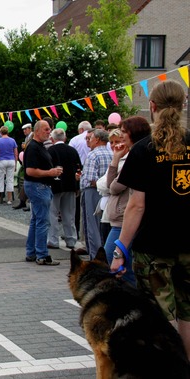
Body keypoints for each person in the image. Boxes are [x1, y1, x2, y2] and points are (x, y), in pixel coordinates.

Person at [111, 80, 190, 357]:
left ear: (152, 107)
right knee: (188, 312)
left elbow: (136, 206)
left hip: (154, 244)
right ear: (184, 105)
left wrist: (120, 248)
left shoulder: (143, 150)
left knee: (160, 312)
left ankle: (169, 369)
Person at [102, 116, 150, 287]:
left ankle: (133, 292)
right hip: (121, 216)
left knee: (114, 255)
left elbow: (114, 187)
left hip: (126, 218)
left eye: (123, 132)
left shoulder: (136, 155)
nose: (120, 137)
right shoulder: (131, 155)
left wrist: (115, 161)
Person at [23, 120, 62, 265]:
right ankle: (42, 254)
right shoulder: (33, 147)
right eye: (46, 129)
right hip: (38, 186)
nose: (49, 131)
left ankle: (32, 252)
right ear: (37, 131)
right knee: (42, 221)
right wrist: (50, 172)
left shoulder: (39, 146)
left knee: (36, 220)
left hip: (39, 186)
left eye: (50, 129)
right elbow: (30, 171)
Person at [80, 128, 112, 259]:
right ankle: (105, 254)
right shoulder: (111, 153)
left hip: (93, 191)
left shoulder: (93, 155)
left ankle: (95, 256)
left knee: (92, 224)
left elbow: (90, 178)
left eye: (90, 138)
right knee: (105, 223)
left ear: (97, 139)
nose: (89, 141)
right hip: (108, 193)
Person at [47, 128, 82, 250]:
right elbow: (78, 168)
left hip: (55, 186)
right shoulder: (72, 150)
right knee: (69, 214)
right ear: (65, 138)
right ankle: (71, 239)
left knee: (53, 214)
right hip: (70, 185)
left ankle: (53, 240)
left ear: (52, 139)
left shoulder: (50, 151)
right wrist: (77, 186)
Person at [0, 125, 18, 206]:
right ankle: (9, 199)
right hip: (11, 160)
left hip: (2, 160)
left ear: (0, 132)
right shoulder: (12, 140)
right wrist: (15, 163)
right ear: (7, 132)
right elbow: (16, 153)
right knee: (10, 180)